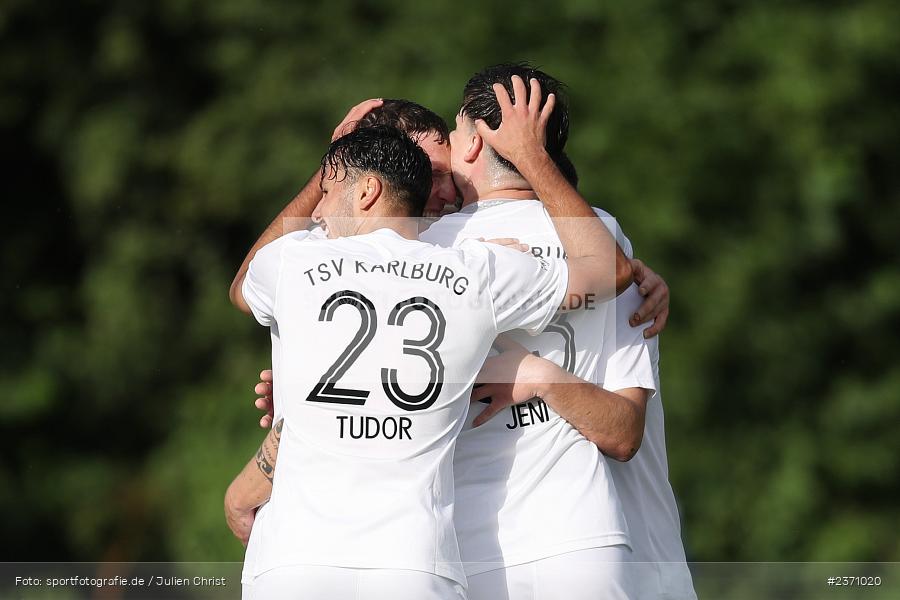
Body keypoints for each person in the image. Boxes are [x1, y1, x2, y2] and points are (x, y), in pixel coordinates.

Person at [228, 113, 629, 600]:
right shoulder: (477, 269)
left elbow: (244, 287)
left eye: (327, 195)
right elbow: (609, 274)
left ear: (368, 191)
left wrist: (333, 165)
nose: (317, 213)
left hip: (294, 565)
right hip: (415, 567)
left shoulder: (292, 262)